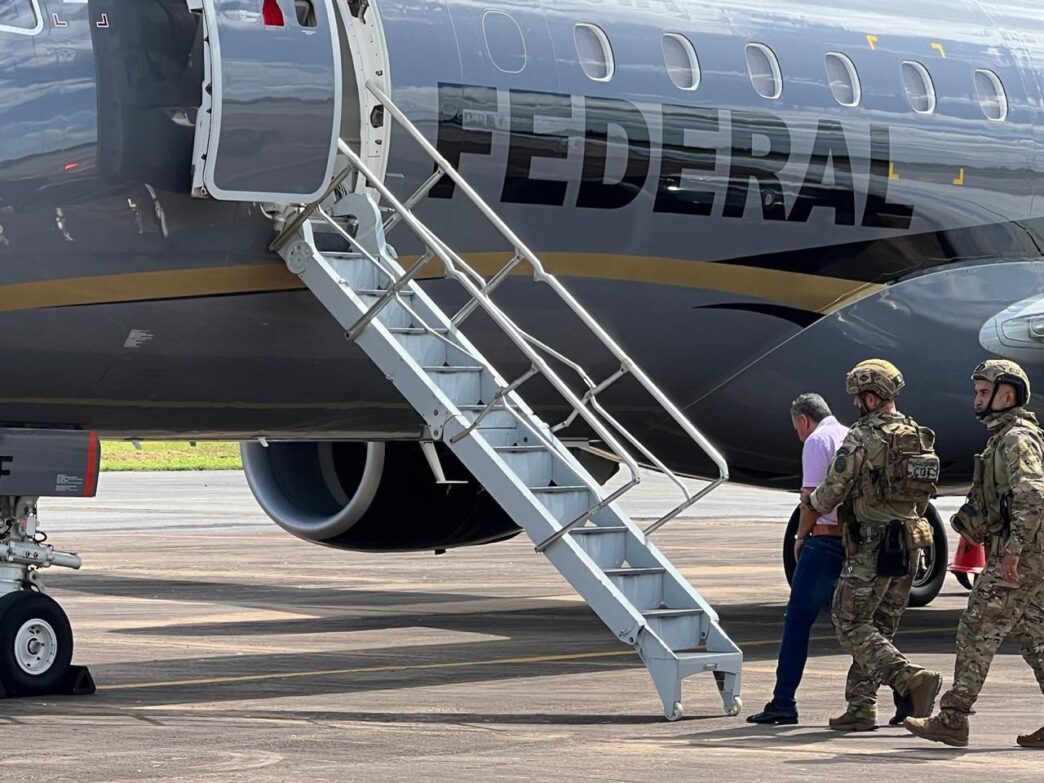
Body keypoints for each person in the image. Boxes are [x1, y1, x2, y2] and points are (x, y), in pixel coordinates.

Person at [905, 360, 1044, 748]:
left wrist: (1014, 553)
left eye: (984, 392)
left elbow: (1033, 495)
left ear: (1007, 395)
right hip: (1029, 554)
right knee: (1036, 638)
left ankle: (953, 718)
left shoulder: (1016, 439)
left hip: (1021, 555)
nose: (976, 400)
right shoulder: (1004, 438)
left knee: (975, 630)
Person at [805, 359, 943, 731]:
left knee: (849, 622)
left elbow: (834, 489)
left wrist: (811, 504)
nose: (854, 404)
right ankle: (861, 707)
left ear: (870, 397)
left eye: (857, 397)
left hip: (871, 544)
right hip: (911, 542)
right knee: (878, 627)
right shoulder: (917, 434)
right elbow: (924, 496)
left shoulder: (861, 436)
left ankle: (909, 678)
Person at [747, 394, 848, 725]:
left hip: (824, 541)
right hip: (854, 542)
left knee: (797, 622)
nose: (798, 435)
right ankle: (903, 691)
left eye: (796, 428)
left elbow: (811, 499)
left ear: (804, 420)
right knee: (857, 626)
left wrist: (801, 537)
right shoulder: (849, 434)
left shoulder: (817, 440)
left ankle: (783, 701)